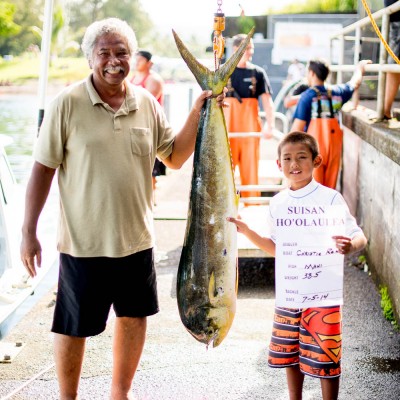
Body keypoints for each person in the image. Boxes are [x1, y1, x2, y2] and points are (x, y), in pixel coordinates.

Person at [20, 17, 226, 400]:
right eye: (105, 53)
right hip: (83, 243)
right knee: (72, 325)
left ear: (133, 57)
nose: (114, 61)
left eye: (122, 53)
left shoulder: (145, 102)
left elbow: (177, 157)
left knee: (133, 318)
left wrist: (200, 108)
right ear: (90, 58)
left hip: (136, 239)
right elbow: (42, 169)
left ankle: (120, 394)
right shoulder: (66, 103)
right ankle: (68, 397)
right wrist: (28, 232)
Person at [228, 131, 367, 400]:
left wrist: (351, 246)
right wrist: (248, 232)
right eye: (288, 158)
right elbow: (278, 249)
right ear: (278, 164)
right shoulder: (278, 203)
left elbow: (359, 235)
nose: (294, 164)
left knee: (326, 355)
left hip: (323, 295)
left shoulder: (330, 199)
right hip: (290, 292)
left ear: (317, 160)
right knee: (290, 352)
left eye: (302, 157)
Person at [291, 58, 370, 188]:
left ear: (311, 73)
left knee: (312, 188)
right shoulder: (337, 92)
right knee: (329, 188)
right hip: (334, 147)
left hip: (313, 149)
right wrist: (360, 69)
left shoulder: (307, 96)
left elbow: (295, 131)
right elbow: (354, 83)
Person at [224, 33, 275, 200]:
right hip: (227, 131)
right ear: (235, 49)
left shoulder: (257, 73)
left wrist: (270, 125)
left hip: (250, 131)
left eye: (251, 47)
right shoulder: (223, 72)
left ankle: (251, 206)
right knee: (224, 171)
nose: (250, 51)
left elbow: (267, 102)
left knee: (251, 171)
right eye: (246, 48)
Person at [131, 50, 166, 202]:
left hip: (149, 128)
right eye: (135, 60)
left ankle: (150, 200)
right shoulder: (132, 79)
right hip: (133, 128)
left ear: (149, 63)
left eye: (140, 60)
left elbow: (144, 104)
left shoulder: (153, 80)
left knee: (150, 169)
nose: (137, 63)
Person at [384, 0, 400, 120]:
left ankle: (385, 109)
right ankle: (385, 109)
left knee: (393, 65)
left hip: (396, 18)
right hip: (394, 17)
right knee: (393, 66)